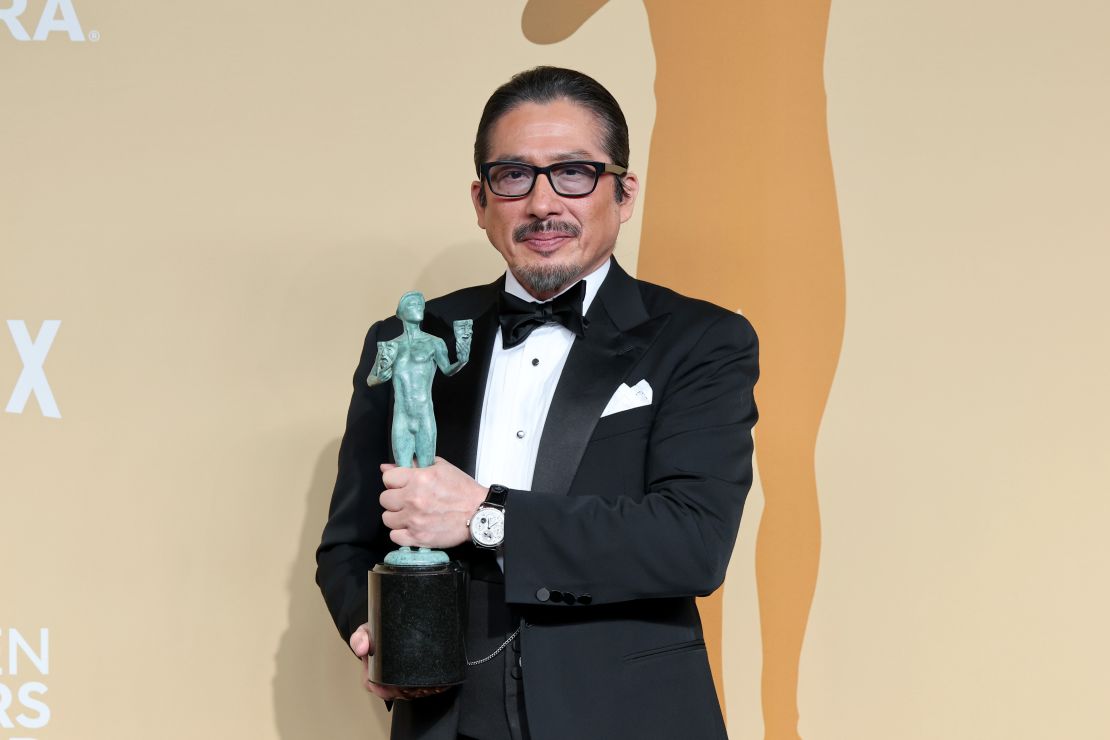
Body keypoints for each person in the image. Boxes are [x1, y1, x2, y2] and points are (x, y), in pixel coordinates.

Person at [316, 66, 759, 740]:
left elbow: (692, 542)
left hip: (630, 717)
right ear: (481, 199)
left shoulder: (701, 340)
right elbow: (348, 544)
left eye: (574, 172)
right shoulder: (413, 341)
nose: (543, 204)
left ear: (624, 192)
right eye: (514, 175)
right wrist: (378, 634)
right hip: (446, 718)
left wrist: (485, 515)